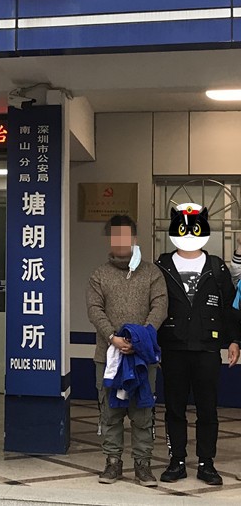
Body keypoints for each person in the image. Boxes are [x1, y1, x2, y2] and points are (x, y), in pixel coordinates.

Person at [156, 203, 240, 486]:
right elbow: (152, 305)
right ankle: (176, 462)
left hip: (207, 348)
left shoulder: (216, 266)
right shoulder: (162, 266)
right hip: (173, 348)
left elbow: (229, 307)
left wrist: (235, 340)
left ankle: (207, 464)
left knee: (207, 410)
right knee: (174, 409)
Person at [86, 215, 168, 486]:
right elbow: (94, 309)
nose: (120, 241)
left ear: (134, 238)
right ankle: (113, 463)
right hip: (108, 355)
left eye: (125, 235)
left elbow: (160, 307)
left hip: (142, 356)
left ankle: (143, 465)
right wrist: (113, 337)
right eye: (115, 235)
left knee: (142, 413)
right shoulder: (99, 274)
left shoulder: (152, 273)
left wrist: (140, 338)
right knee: (110, 413)